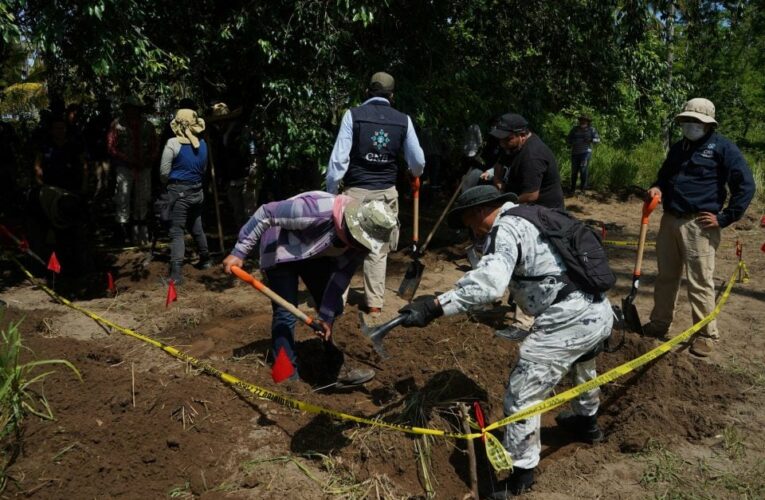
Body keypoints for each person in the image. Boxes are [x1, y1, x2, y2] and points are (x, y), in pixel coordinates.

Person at [396, 185, 613, 497]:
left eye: (470, 223)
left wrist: (434, 306)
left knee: (522, 396)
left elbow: (489, 286)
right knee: (583, 363)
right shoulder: (535, 216)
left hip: (567, 319)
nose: (471, 231)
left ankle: (521, 477)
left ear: (481, 212)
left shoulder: (505, 228)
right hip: (597, 309)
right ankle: (587, 422)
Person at [221, 191, 397, 387]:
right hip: (280, 246)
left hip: (314, 253)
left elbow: (339, 278)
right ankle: (286, 377)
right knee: (286, 312)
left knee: (335, 309)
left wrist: (327, 317)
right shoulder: (318, 211)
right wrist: (240, 251)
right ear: (351, 225)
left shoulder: (359, 245)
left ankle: (337, 367)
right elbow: (267, 212)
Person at [643, 98, 755, 357]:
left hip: (700, 225)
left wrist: (726, 217)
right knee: (666, 276)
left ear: (708, 123)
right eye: (687, 120)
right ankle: (660, 323)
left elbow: (746, 186)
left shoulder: (724, 149)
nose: (691, 125)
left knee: (700, 282)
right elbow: (664, 175)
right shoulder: (678, 148)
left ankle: (705, 334)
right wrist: (657, 187)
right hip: (670, 219)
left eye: (697, 121)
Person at [326, 71, 425, 317]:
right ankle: (375, 305)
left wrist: (331, 193)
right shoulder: (403, 120)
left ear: (367, 92)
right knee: (378, 249)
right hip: (385, 193)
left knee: (347, 246)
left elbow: (338, 161)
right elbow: (418, 162)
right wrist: (414, 172)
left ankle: (336, 303)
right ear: (392, 95)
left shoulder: (353, 115)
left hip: (356, 193)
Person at [159, 109, 212, 284]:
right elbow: (203, 169)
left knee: (177, 232)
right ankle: (206, 259)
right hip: (197, 192)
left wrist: (168, 185)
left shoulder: (173, 144)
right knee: (197, 226)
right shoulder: (203, 144)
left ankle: (176, 275)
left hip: (179, 193)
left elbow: (164, 172)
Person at [108, 96, 159, 245]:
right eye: (129, 108)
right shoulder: (117, 125)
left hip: (144, 167)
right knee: (122, 199)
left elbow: (155, 145)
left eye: (135, 108)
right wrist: (126, 159)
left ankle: (141, 234)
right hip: (124, 167)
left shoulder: (148, 125)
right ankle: (122, 235)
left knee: (143, 198)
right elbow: (111, 147)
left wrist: (149, 159)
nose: (132, 111)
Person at [490, 113, 564, 210]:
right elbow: (499, 164)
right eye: (500, 139)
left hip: (543, 211)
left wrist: (505, 205)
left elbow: (531, 196)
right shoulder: (510, 145)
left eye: (507, 139)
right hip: (518, 200)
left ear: (522, 135)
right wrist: (498, 182)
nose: (502, 144)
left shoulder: (532, 156)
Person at [207, 102, 259, 226]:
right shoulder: (220, 135)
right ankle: (244, 244)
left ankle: (256, 245)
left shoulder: (242, 131)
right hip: (231, 181)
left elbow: (253, 152)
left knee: (250, 214)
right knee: (238, 214)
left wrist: (253, 172)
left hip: (246, 177)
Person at [566, 114, 600, 193]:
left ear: (588, 122)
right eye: (581, 120)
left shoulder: (592, 130)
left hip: (585, 153)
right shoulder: (575, 129)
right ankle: (572, 188)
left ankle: (583, 188)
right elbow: (568, 139)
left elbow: (598, 140)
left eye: (585, 120)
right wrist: (572, 142)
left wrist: (591, 140)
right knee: (574, 171)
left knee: (583, 170)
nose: (582, 121)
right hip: (575, 153)